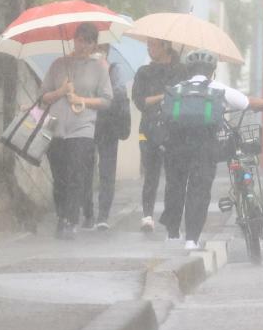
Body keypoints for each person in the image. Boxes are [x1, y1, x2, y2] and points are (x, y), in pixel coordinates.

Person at [159, 48, 263, 250]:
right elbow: (246, 103)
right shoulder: (217, 88)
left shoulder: (176, 89)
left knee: (175, 187)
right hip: (204, 145)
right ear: (212, 70)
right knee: (199, 190)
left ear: (189, 70)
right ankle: (191, 239)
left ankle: (172, 234)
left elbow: (164, 111)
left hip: (176, 145)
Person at [42, 22, 113, 240]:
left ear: (94, 44)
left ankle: (71, 220)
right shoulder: (58, 65)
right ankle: (61, 215)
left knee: (75, 175)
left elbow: (107, 100)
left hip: (82, 128)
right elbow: (43, 96)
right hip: (56, 128)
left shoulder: (100, 67)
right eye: (79, 39)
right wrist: (61, 91)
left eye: (88, 41)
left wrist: (81, 99)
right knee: (59, 178)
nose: (82, 45)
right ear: (74, 39)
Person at [132, 37, 187, 232]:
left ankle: (172, 216)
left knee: (174, 175)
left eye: (153, 45)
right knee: (151, 173)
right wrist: (164, 96)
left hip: (174, 129)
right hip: (149, 128)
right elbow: (139, 101)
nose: (149, 49)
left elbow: (187, 97)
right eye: (147, 45)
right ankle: (147, 215)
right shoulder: (144, 72)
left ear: (166, 45)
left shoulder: (182, 71)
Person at [82, 43, 129, 231]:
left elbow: (119, 93)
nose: (96, 53)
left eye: (100, 49)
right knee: (85, 169)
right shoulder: (84, 69)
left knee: (107, 171)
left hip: (108, 125)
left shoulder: (114, 70)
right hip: (86, 124)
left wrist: (103, 78)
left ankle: (103, 215)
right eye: (94, 49)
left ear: (106, 52)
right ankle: (87, 213)